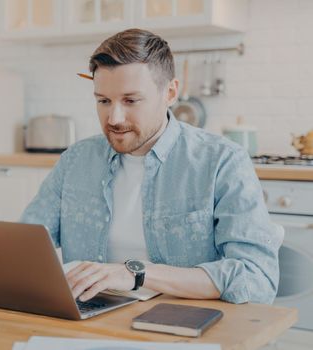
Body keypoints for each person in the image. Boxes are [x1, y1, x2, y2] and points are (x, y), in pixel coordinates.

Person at [21, 28, 283, 304]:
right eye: (103, 101)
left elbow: (257, 279)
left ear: (170, 93)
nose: (114, 118)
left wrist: (136, 274)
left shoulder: (222, 161)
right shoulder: (76, 160)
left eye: (131, 100)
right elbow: (25, 248)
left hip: (181, 326)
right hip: (89, 321)